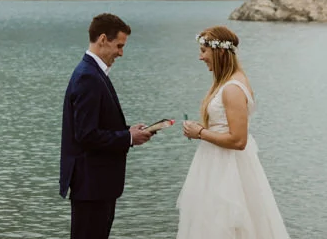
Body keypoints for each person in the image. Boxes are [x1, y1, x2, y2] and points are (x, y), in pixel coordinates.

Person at [177, 25, 291, 238]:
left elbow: (239, 140)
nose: (200, 58)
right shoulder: (227, 83)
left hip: (227, 167)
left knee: (226, 222)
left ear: (219, 52)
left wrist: (200, 132)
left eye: (204, 51)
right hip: (216, 161)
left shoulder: (232, 88)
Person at [60, 13, 154, 239]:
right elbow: (86, 135)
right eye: (119, 46)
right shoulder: (88, 77)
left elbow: (96, 125)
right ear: (103, 39)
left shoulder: (92, 72)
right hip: (92, 185)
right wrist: (128, 138)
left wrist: (130, 131)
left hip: (95, 185)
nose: (121, 53)